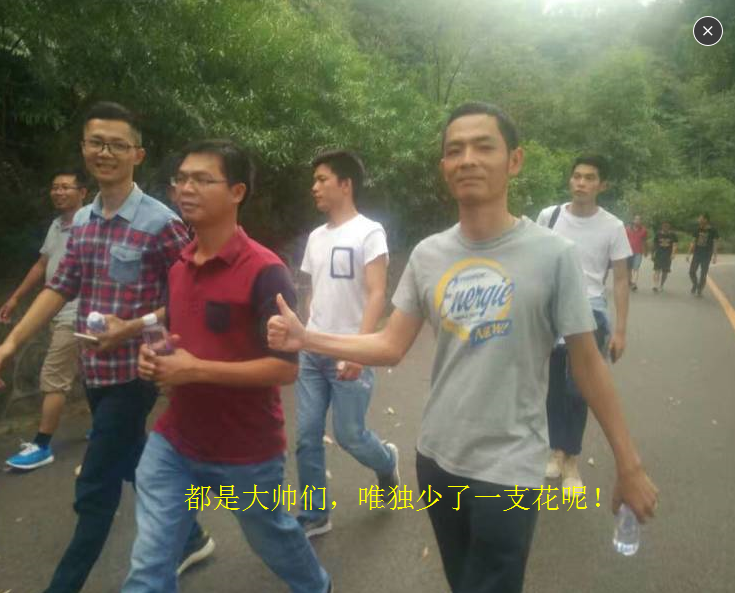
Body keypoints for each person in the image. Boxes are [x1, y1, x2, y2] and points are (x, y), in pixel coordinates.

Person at [267, 102, 658, 593]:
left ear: (514, 161)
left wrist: (628, 462)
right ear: (444, 167)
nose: (468, 159)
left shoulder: (554, 254)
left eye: (483, 147)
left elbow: (587, 364)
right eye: (455, 150)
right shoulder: (430, 255)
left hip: (510, 468)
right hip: (437, 462)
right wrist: (307, 338)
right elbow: (390, 344)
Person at [0, 102, 212, 592]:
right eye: (96, 143)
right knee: (131, 459)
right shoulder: (81, 221)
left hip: (136, 372)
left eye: (117, 145)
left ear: (137, 154)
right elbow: (60, 286)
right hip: (96, 372)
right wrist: (12, 342)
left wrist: (131, 328)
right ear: (84, 148)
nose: (105, 153)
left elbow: (190, 299)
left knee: (95, 488)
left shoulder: (161, 223)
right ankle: (192, 535)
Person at [122, 140, 331, 593]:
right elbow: (180, 337)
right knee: (148, 566)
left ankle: (317, 586)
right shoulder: (179, 266)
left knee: (273, 539)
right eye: (181, 179)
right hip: (175, 443)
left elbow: (285, 369)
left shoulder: (266, 271)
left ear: (237, 192)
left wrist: (196, 370)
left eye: (202, 179)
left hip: (246, 452)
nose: (186, 189)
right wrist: (155, 357)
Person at [294, 150, 399, 538]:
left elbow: (377, 293)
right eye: (314, 180)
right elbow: (312, 288)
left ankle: (386, 462)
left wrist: (359, 348)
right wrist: (308, 327)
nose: (315, 187)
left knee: (350, 435)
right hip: (312, 351)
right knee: (306, 436)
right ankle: (315, 513)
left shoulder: (369, 232)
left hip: (350, 351)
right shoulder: (316, 237)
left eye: (322, 179)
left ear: (345, 184)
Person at [536, 155, 632, 492]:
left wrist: (620, 331)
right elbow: (535, 260)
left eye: (590, 178)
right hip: (552, 309)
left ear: (602, 185)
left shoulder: (613, 226)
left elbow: (621, 279)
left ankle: (572, 458)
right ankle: (556, 450)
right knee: (554, 387)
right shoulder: (549, 216)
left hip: (590, 310)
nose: (581, 183)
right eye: (577, 176)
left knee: (579, 388)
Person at [0, 168, 87, 470]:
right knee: (89, 373)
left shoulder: (91, 222)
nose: (58, 192)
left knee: (53, 376)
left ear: (82, 192)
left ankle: (42, 444)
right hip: (57, 311)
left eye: (65, 187)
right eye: (55, 187)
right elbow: (42, 264)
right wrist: (15, 297)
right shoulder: (57, 225)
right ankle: (108, 429)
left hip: (77, 312)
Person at [687, 212, 719, 297]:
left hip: (707, 254)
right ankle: (695, 284)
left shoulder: (713, 230)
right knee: (691, 272)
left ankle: (700, 289)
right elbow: (693, 242)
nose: (699, 220)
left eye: (700, 218)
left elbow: (715, 243)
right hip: (697, 253)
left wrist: (715, 256)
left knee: (703, 273)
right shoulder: (697, 229)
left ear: (705, 220)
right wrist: (689, 253)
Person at [651, 220, 678, 292]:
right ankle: (655, 285)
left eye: (667, 226)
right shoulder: (658, 234)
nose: (665, 227)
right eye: (664, 225)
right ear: (662, 226)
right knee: (657, 270)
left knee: (665, 271)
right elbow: (654, 245)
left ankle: (661, 285)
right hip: (658, 254)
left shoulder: (673, 235)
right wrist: (652, 254)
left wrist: (673, 253)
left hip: (667, 255)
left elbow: (675, 245)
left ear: (669, 226)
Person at [625, 215, 648, 291]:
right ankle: (629, 281)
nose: (638, 221)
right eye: (636, 219)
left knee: (636, 268)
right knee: (628, 268)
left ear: (641, 221)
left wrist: (646, 251)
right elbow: (623, 240)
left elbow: (644, 241)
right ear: (633, 220)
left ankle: (634, 283)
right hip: (628, 252)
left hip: (638, 252)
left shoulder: (644, 230)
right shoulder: (627, 229)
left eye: (639, 219)